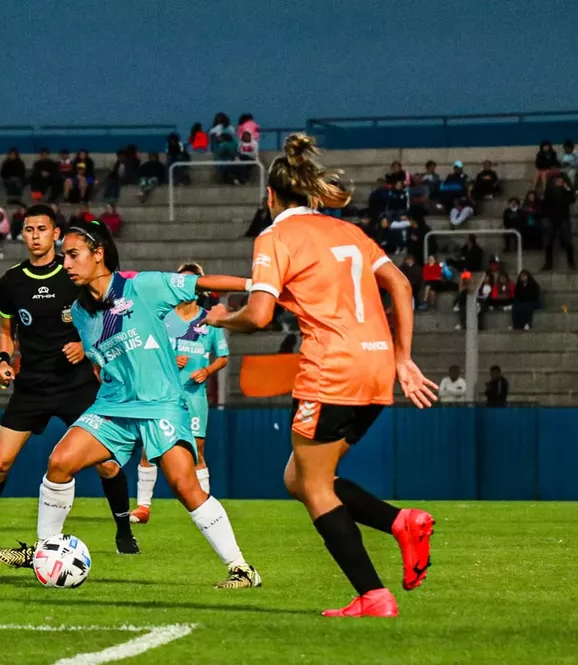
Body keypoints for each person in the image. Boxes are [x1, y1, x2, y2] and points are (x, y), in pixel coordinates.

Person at [204, 133, 438, 617]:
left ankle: (374, 595)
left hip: (332, 368)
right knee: (301, 477)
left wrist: (223, 318)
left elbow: (260, 315)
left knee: (313, 487)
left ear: (270, 196)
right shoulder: (347, 230)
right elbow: (399, 283)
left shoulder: (275, 237)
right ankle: (402, 523)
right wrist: (403, 356)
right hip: (376, 366)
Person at [0, 218, 262, 589]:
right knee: (59, 462)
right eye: (64, 256)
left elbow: (201, 283)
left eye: (73, 255)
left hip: (160, 403)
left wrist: (258, 287)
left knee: (185, 486)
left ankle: (242, 568)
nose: (65, 263)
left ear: (98, 254)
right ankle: (44, 550)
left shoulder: (142, 286)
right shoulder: (81, 311)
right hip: (113, 406)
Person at [0, 206, 140, 557]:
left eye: (42, 229)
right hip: (32, 387)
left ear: (56, 234)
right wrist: (3, 360)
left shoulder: (75, 273)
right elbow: (6, 331)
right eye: (29, 229)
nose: (35, 235)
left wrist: (85, 347)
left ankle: (124, 532)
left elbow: (108, 320)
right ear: (22, 234)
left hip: (77, 385)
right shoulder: (12, 281)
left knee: (107, 462)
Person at [130, 262, 230, 525]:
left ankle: (206, 505)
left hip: (194, 396)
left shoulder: (210, 320)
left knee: (197, 450)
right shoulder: (162, 317)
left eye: (192, 283)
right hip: (163, 395)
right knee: (150, 447)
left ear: (200, 288)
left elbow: (223, 357)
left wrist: (207, 371)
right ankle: (143, 506)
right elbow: (145, 353)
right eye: (182, 282)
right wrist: (169, 361)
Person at [541, 168, 576, 271]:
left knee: (568, 242)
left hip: (563, 217)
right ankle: (548, 263)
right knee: (548, 242)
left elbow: (572, 198)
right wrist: (545, 216)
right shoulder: (550, 183)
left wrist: (565, 186)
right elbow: (546, 200)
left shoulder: (565, 182)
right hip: (551, 217)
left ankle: (571, 263)